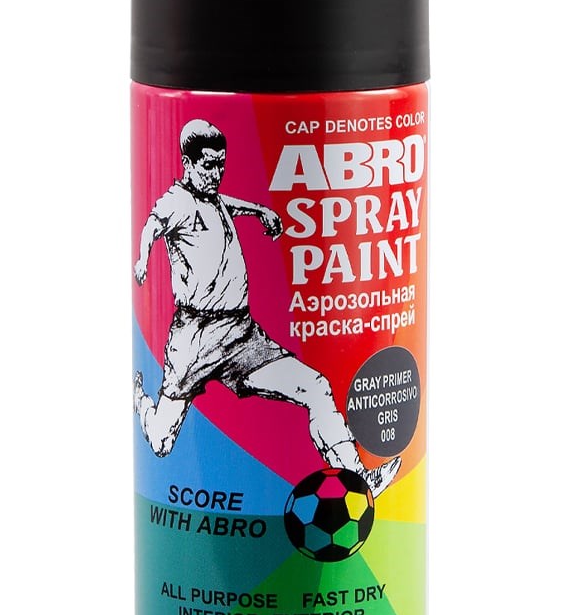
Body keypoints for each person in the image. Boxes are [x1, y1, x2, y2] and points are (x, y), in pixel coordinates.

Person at [133, 119, 400, 497]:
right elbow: (152, 226)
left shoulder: (213, 198)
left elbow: (229, 203)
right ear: (187, 163)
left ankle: (357, 477)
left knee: (316, 387)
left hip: (242, 335)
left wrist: (260, 210)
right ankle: (141, 401)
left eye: (221, 165)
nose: (216, 174)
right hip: (195, 340)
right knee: (161, 442)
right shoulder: (177, 202)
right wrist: (142, 260)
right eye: (208, 165)